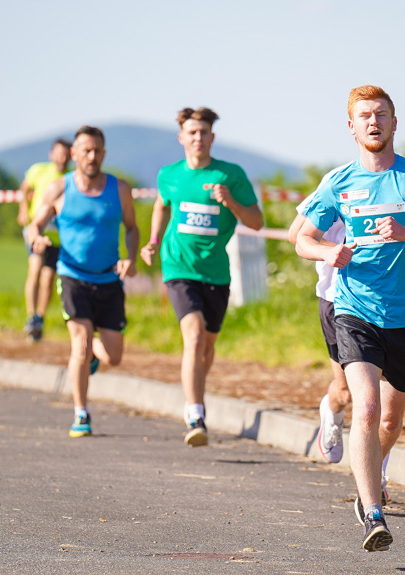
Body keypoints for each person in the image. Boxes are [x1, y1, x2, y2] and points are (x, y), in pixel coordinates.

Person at [294, 85, 405, 552]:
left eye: (381, 115)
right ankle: (372, 512)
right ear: (351, 126)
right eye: (364, 116)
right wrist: (330, 250)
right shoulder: (338, 182)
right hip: (355, 309)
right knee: (365, 407)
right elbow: (301, 239)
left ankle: (371, 470)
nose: (373, 122)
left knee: (389, 421)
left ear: (394, 122)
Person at [140, 107, 263, 447]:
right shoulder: (169, 175)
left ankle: (195, 389)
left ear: (212, 137)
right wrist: (153, 241)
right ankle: (195, 412)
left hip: (216, 273)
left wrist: (231, 203)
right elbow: (162, 205)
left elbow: (256, 222)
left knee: (207, 346)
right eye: (191, 133)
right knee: (193, 337)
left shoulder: (230, 175)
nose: (198, 138)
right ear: (182, 138)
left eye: (203, 132)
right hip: (178, 267)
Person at [27, 126, 140, 438]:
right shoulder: (58, 189)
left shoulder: (120, 189)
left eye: (97, 151)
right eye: (85, 150)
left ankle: (93, 347)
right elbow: (33, 225)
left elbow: (132, 228)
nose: (92, 156)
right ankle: (81, 413)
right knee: (79, 347)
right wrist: (36, 237)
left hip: (109, 279)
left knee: (114, 357)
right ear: (73, 154)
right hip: (73, 275)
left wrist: (130, 257)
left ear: (104, 154)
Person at [288, 190, 353, 465]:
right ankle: (332, 410)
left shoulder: (402, 183)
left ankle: (378, 479)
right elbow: (296, 234)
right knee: (348, 392)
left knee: (381, 396)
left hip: (384, 300)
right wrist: (333, 250)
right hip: (336, 297)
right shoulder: (335, 182)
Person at [17, 138, 71, 342]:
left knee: (48, 278)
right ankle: (31, 316)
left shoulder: (72, 177)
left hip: (58, 235)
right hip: (36, 230)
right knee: (35, 270)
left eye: (65, 154)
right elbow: (24, 189)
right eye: (58, 153)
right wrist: (23, 209)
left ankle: (40, 317)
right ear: (51, 155)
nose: (62, 158)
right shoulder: (38, 170)